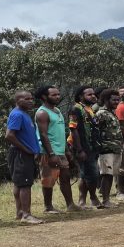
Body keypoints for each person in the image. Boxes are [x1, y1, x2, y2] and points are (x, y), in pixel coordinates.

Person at [34, 85, 80, 214]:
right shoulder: (42, 113)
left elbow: (60, 132)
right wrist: (51, 154)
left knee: (65, 177)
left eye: (58, 94)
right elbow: (43, 135)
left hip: (60, 151)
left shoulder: (57, 110)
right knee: (48, 179)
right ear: (44, 97)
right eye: (54, 95)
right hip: (49, 151)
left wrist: (67, 151)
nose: (57, 97)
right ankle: (48, 207)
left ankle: (70, 204)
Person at [4, 90, 43, 224]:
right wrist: (26, 150)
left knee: (19, 183)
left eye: (31, 98)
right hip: (21, 154)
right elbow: (9, 135)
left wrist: (34, 150)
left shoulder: (24, 114)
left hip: (25, 154)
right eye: (26, 99)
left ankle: (20, 212)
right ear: (18, 100)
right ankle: (26, 215)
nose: (31, 101)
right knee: (25, 184)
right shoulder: (17, 114)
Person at [68, 86, 101, 209]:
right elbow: (73, 129)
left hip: (92, 146)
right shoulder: (76, 109)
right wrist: (80, 150)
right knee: (93, 174)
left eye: (93, 94)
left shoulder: (89, 108)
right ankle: (93, 198)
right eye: (89, 94)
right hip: (83, 147)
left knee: (84, 174)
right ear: (81, 96)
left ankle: (82, 201)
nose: (93, 96)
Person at [93, 89, 123, 208]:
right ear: (106, 100)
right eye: (114, 100)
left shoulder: (112, 113)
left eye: (118, 100)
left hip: (116, 148)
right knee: (106, 174)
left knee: (111, 174)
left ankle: (107, 199)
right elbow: (95, 130)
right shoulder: (101, 113)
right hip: (105, 149)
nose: (116, 102)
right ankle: (105, 200)